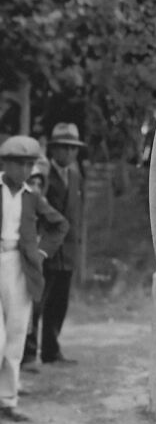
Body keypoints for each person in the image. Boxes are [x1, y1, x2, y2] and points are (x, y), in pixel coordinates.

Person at [0, 135, 68, 421]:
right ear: (6, 163)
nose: (25, 171)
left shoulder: (31, 196)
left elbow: (60, 224)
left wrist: (40, 253)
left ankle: (7, 400)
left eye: (30, 165)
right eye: (20, 164)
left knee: (15, 333)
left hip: (21, 266)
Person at [41, 122, 85, 365]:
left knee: (60, 304)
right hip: (46, 251)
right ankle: (28, 354)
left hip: (68, 252)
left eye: (73, 148)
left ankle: (51, 351)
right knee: (39, 303)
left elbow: (78, 215)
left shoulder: (76, 176)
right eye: (63, 147)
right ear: (53, 149)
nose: (68, 153)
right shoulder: (44, 176)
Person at [20, 155, 52, 374]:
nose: (36, 187)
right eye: (32, 182)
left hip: (35, 265)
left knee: (35, 308)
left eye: (40, 183)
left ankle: (30, 353)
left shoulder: (42, 206)